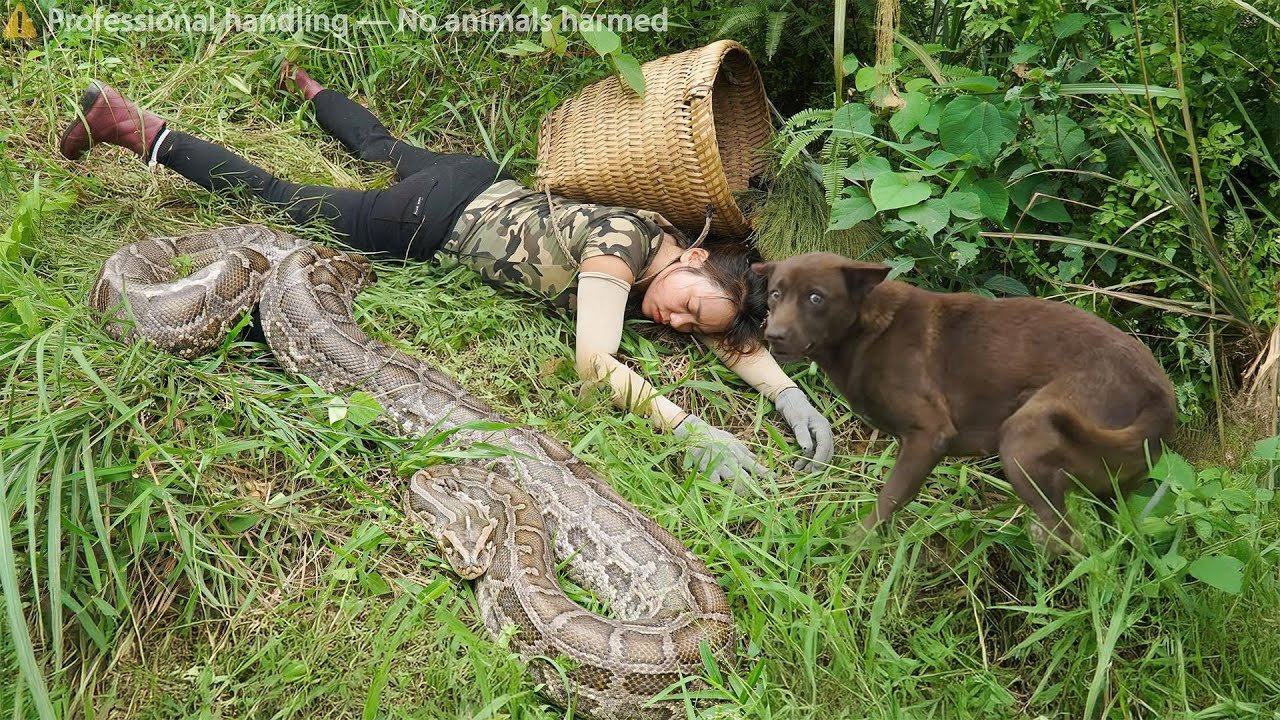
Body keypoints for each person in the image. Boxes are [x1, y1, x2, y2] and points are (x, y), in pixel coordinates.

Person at [58, 63, 835, 482]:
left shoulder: (669, 247)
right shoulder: (619, 250)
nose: (673, 323)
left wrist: (785, 393)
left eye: (689, 329)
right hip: (433, 223)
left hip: (476, 178)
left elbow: (727, 318)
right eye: (685, 310)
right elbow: (596, 365)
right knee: (285, 201)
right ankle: (133, 127)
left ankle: (312, 89)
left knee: (383, 146)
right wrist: (687, 426)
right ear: (695, 259)